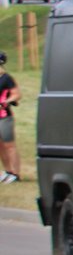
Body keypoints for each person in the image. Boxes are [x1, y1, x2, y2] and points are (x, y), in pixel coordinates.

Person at [0, 51, 20, 183]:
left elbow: (17, 94)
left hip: (4, 116)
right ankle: (7, 171)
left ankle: (16, 174)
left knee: (9, 145)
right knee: (1, 146)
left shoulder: (6, 78)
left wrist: (6, 102)